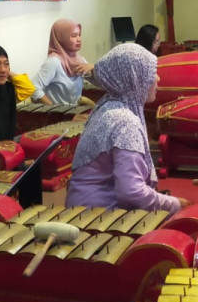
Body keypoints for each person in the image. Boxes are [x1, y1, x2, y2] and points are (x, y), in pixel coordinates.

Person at [66, 43, 183, 214]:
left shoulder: (106, 105)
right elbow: (132, 192)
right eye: (150, 74)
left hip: (80, 204)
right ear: (134, 79)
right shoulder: (125, 122)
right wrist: (174, 204)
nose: (157, 79)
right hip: (95, 217)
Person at [33, 19, 92, 106]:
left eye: (79, 35)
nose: (79, 39)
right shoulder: (53, 62)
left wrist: (93, 68)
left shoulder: (80, 60)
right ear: (62, 38)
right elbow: (34, 87)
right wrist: (53, 107)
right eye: (74, 36)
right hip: (58, 116)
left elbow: (99, 82)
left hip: (75, 113)